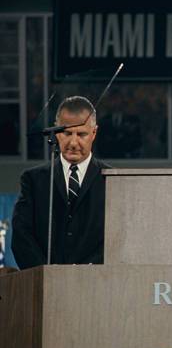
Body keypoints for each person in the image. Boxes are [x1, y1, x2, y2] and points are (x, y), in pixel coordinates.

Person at [11, 96, 110, 269]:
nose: (73, 142)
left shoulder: (110, 179)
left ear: (94, 133)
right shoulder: (33, 180)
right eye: (67, 133)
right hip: (45, 285)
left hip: (96, 284)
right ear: (56, 132)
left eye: (81, 134)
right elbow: (22, 236)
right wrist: (45, 275)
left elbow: (118, 238)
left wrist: (85, 273)